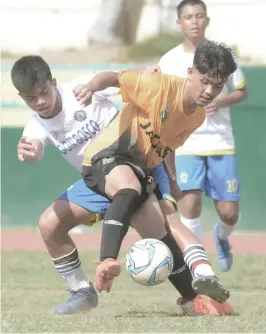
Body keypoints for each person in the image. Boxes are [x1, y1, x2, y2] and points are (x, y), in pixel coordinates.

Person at [12, 55, 231, 316]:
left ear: (53, 83)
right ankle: (81, 289)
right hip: (98, 179)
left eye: (43, 93)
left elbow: (121, 78)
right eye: (30, 99)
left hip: (133, 165)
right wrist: (31, 152)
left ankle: (194, 297)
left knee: (163, 232)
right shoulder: (36, 124)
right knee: (49, 224)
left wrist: (145, 71)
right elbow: (32, 145)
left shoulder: (79, 88)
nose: (40, 102)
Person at [75, 41, 237, 300]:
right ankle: (106, 261)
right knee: (129, 189)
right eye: (204, 81)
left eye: (217, 86)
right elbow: (114, 78)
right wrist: (90, 87)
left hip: (141, 170)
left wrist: (172, 180)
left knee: (162, 235)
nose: (209, 91)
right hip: (107, 156)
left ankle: (194, 300)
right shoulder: (157, 85)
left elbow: (166, 145)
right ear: (190, 72)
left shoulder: (197, 116)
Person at [159, 0, 248, 272]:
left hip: (220, 143)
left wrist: (219, 102)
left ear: (207, 20)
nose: (195, 21)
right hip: (187, 143)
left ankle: (221, 237)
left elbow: (242, 91)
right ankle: (198, 267)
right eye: (188, 17)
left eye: (199, 15)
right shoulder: (170, 60)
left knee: (229, 213)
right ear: (179, 23)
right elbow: (162, 95)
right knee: (190, 201)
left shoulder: (224, 54)